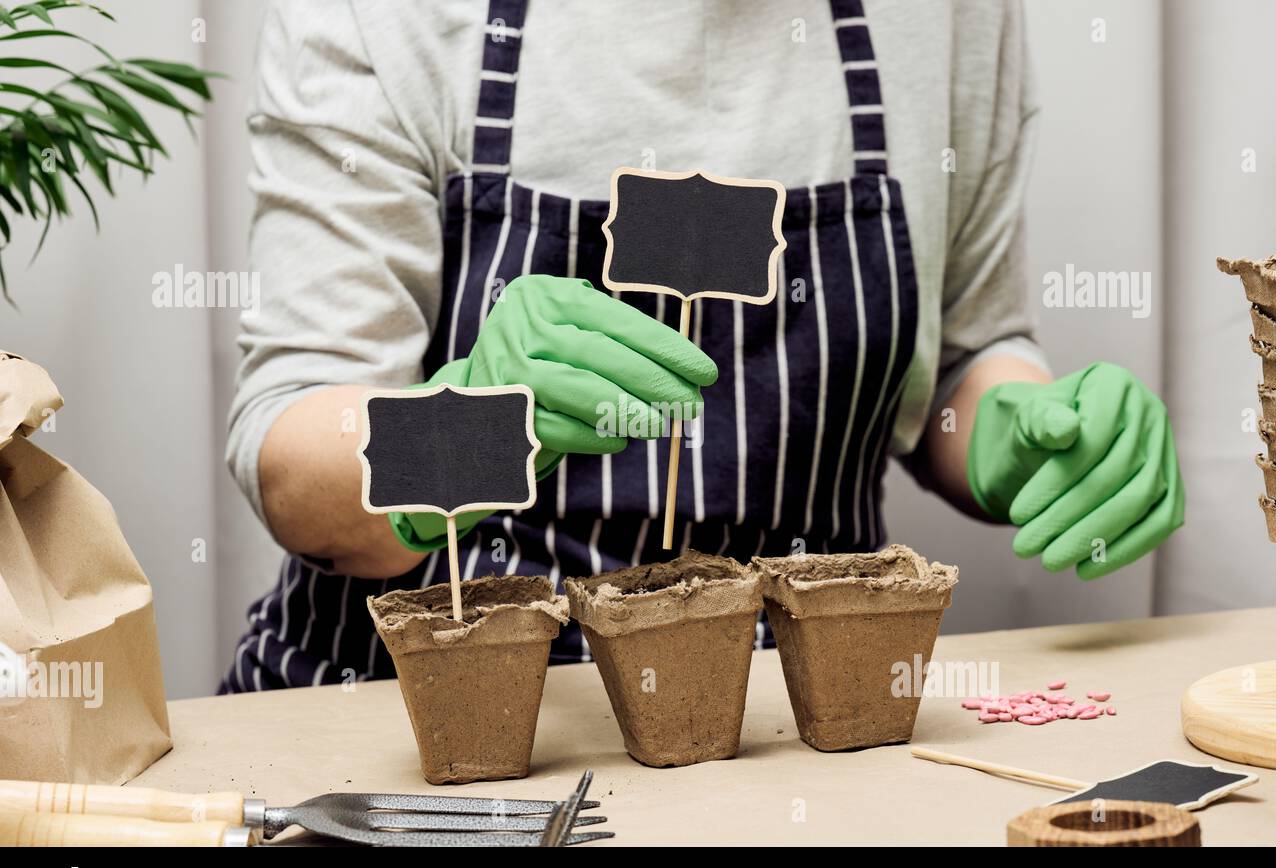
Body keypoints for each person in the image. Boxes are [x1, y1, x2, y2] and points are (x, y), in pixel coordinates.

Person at [220, 0, 1183, 693]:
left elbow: (967, 349)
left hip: (792, 723)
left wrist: (1017, 432)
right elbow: (292, 475)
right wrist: (472, 428)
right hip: (433, 725)